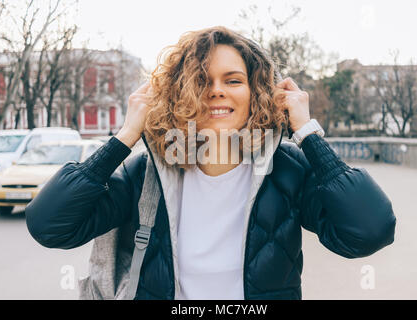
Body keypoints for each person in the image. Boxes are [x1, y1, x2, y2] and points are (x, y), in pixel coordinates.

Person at [25, 26, 396, 300]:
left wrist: (307, 132)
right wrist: (125, 137)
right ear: (179, 94)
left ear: (256, 93)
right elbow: (49, 226)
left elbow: (369, 231)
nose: (216, 90)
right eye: (202, 81)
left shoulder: (287, 169)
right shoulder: (145, 174)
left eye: (233, 80)